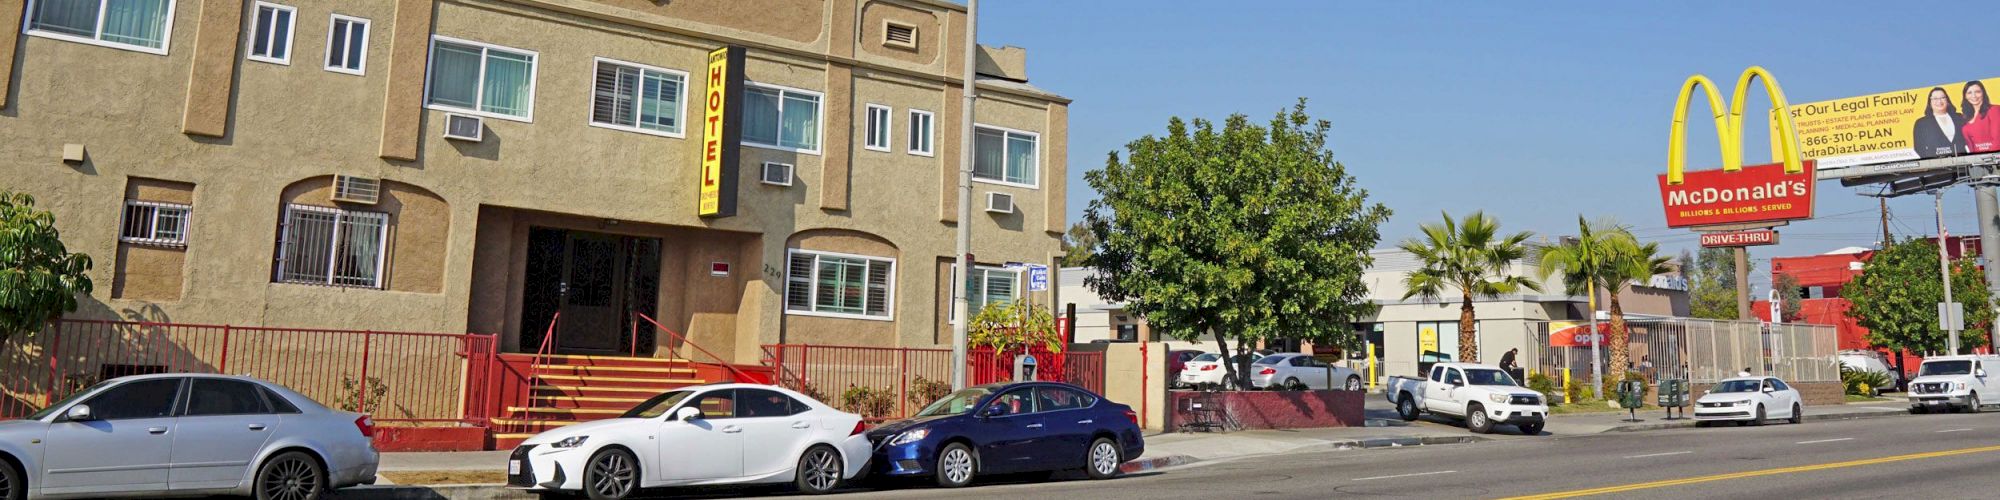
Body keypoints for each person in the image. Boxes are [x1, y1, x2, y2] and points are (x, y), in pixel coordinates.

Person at [1912, 87, 1967, 158]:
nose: (1939, 101)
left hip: (1963, 163)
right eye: (1935, 99)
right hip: (1937, 166)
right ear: (1930, 102)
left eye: (1942, 98)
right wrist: (1931, 161)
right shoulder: (1921, 123)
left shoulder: (1960, 117)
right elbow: (1918, 147)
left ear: (1947, 100)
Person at [1962, 81, 2000, 153]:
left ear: (1983, 93)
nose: (1974, 96)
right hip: (1976, 160)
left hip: (1993, 159)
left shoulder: (1994, 110)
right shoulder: (1966, 117)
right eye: (1969, 93)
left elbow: (1998, 140)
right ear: (1965, 96)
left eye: (1977, 92)